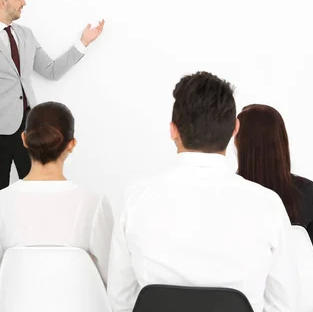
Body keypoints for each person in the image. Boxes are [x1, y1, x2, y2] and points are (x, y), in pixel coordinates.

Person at [107, 72, 299, 312]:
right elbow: (286, 305)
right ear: (235, 128)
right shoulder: (268, 204)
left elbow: (119, 299)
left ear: (173, 130)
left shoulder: (135, 200)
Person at [0, 0, 105, 222]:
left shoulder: (25, 35)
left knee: (39, 191)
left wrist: (83, 43)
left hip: (30, 130)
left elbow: (51, 70)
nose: (24, 2)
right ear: (1, 2)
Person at [0, 101, 114, 287]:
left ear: (23, 139)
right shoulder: (94, 203)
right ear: (71, 144)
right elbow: (110, 277)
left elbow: (0, 280)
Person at [236, 104, 313, 303]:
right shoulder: (306, 190)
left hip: (242, 296)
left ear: (240, 143)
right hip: (294, 298)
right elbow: (308, 252)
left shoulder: (230, 192)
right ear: (281, 140)